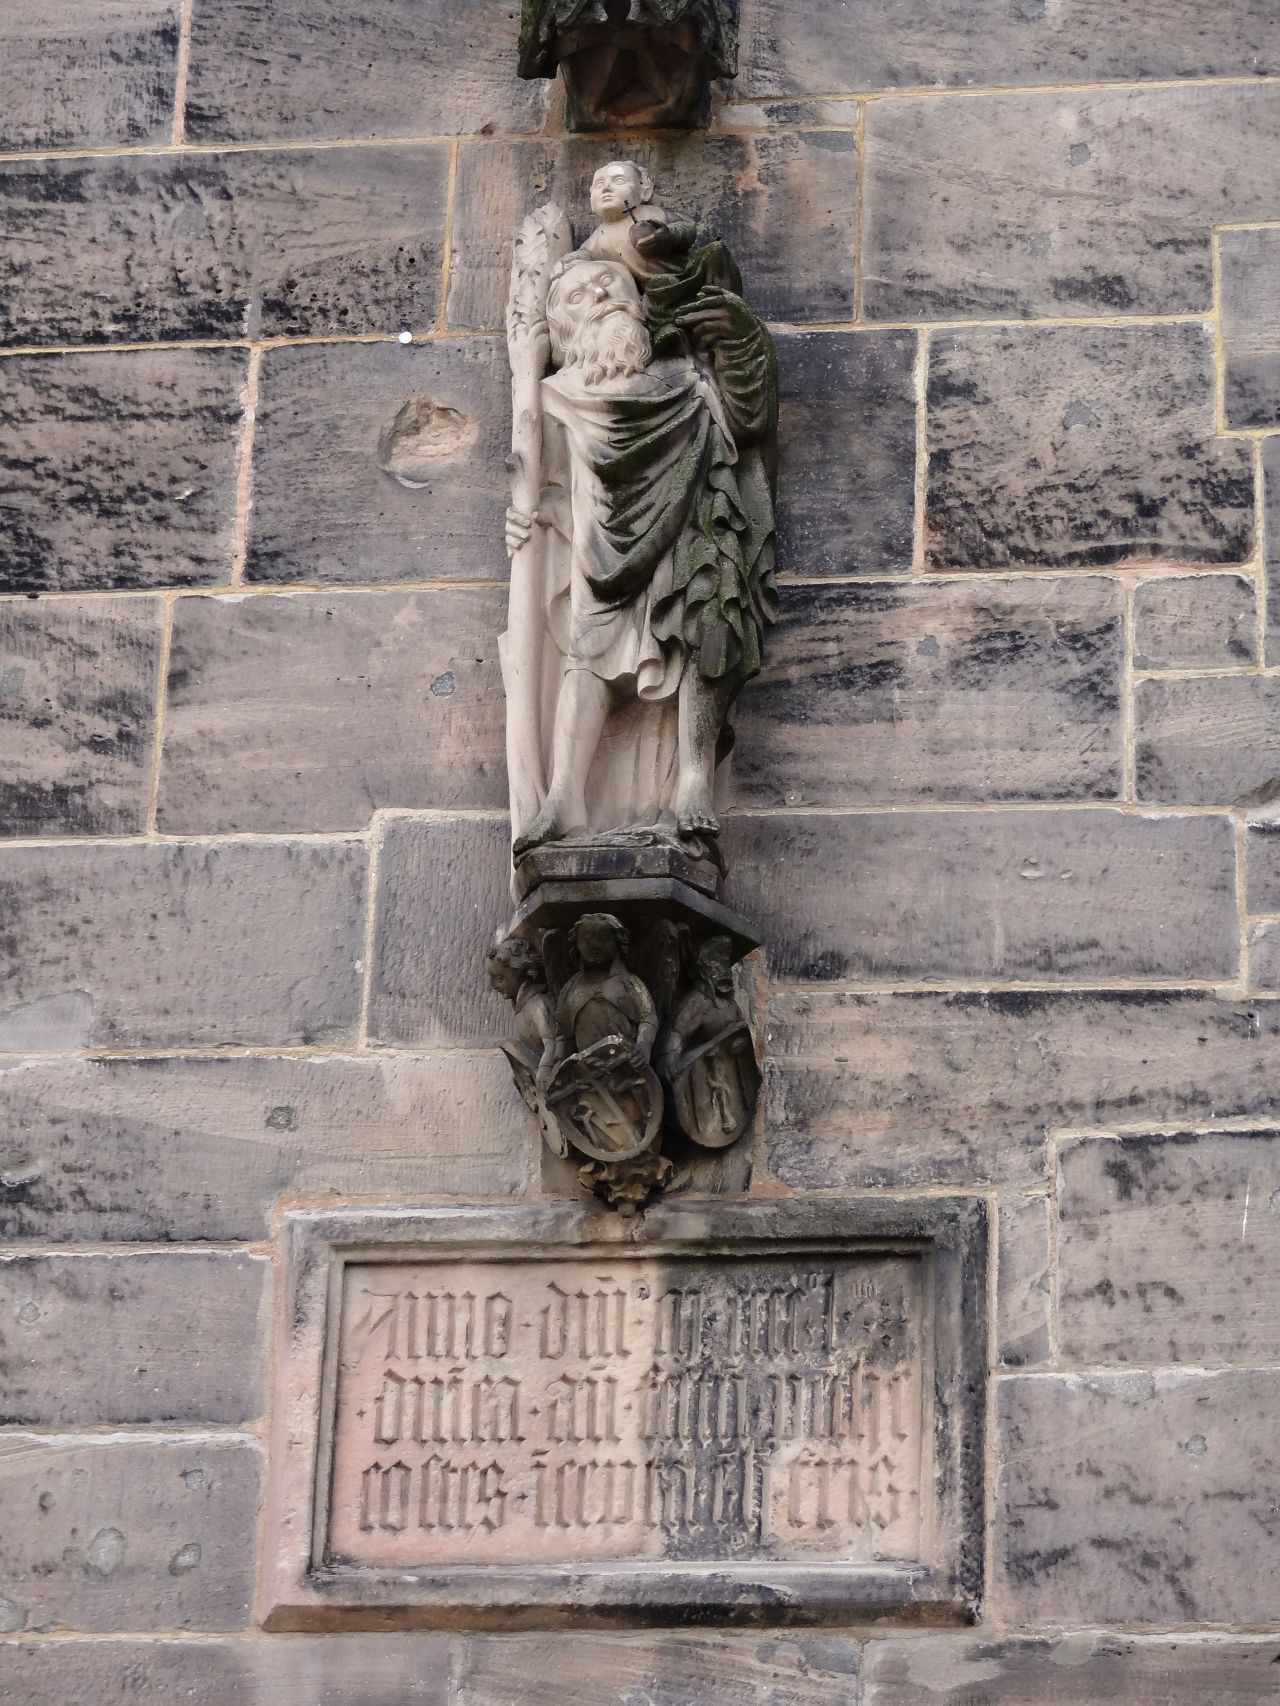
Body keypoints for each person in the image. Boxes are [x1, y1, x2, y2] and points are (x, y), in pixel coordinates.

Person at [503, 243, 777, 856]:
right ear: (564, 329)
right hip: (600, 547)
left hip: (691, 529)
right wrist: (527, 515)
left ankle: (693, 781)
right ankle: (564, 795)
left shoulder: (688, 381)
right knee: (587, 656)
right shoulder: (558, 396)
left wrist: (741, 342)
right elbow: (544, 479)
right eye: (579, 296)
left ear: (638, 296)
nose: (600, 295)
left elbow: (749, 423)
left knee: (704, 626)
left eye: (608, 281)